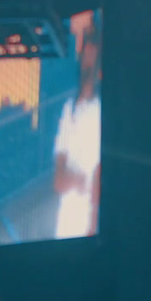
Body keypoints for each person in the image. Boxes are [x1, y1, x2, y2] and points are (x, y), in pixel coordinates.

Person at [52, 16, 101, 240]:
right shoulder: (68, 109)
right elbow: (59, 181)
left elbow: (96, 186)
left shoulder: (102, 111)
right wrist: (77, 180)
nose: (87, 62)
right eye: (85, 56)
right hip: (66, 223)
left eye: (92, 57)